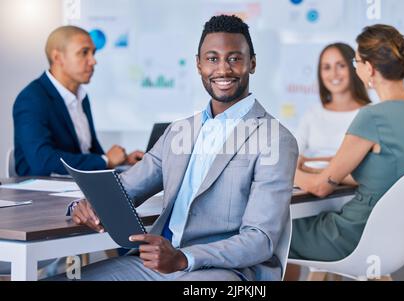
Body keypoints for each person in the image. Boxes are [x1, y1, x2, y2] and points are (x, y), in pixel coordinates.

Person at [51, 15, 298, 281]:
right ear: (199, 64)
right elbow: (124, 190)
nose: (223, 69)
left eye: (234, 58)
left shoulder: (276, 139)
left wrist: (184, 258)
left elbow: (259, 240)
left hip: (226, 272)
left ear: (252, 63)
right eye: (212, 59)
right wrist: (86, 204)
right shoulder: (179, 131)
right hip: (154, 266)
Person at [289, 24, 404, 263]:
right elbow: (385, 174)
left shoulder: (373, 118)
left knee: (264, 233)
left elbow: (320, 187)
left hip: (351, 237)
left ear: (369, 68)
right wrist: (311, 170)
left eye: (355, 62)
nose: (355, 68)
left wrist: (288, 169)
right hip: (393, 241)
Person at [13, 26, 144, 177]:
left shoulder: (82, 96)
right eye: (84, 53)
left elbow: (88, 153)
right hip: (43, 194)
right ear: (57, 58)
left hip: (79, 187)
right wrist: (105, 160)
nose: (93, 61)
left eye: (93, 53)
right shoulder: (31, 98)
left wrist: (122, 161)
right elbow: (42, 161)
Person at [296, 43, 371, 169]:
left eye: (341, 66)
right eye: (326, 67)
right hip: (308, 183)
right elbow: (294, 153)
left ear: (354, 68)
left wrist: (307, 161)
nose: (334, 74)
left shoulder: (370, 113)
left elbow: (365, 163)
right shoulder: (313, 113)